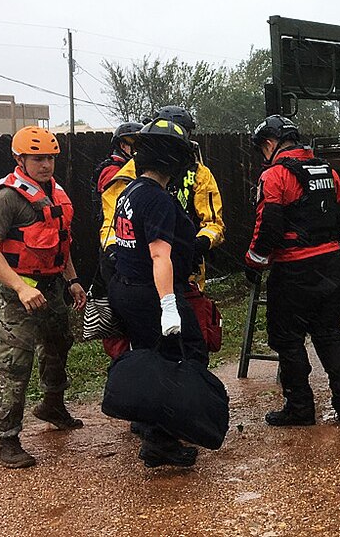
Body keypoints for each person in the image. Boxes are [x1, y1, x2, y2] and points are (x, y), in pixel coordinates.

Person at [0, 126, 87, 468]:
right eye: (38, 159)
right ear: (19, 159)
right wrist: (21, 287)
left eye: (51, 158)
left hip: (52, 287)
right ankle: (5, 440)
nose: (46, 165)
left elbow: (59, 243)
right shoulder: (7, 198)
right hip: (17, 292)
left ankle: (52, 404)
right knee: (15, 361)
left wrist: (73, 281)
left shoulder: (55, 194)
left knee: (58, 345)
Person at [246, 115, 340, 427]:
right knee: (329, 336)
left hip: (294, 268)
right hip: (330, 264)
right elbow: (339, 212)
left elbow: (267, 227)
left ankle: (299, 408)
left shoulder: (275, 176)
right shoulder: (327, 171)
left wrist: (253, 261)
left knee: (288, 339)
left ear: (269, 144)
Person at [108, 117, 208, 468]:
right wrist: (169, 306)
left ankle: (147, 420)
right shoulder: (157, 200)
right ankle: (161, 441)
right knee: (183, 356)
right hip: (153, 292)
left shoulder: (130, 192)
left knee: (151, 356)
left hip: (129, 288)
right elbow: (159, 254)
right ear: (172, 159)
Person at [99, 105, 224, 357]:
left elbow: (213, 223)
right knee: (182, 352)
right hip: (152, 280)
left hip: (177, 275)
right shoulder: (131, 181)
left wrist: (197, 244)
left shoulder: (198, 174)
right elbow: (113, 226)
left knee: (163, 348)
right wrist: (117, 251)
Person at [88, 121, 142, 301]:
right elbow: (120, 208)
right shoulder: (113, 171)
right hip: (114, 242)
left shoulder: (124, 169)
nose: (138, 150)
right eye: (134, 145)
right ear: (122, 145)